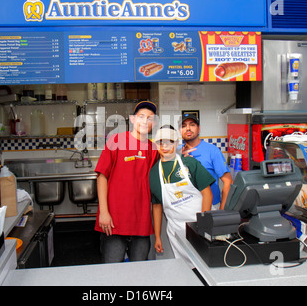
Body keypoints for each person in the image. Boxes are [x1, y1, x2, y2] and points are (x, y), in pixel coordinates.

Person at [95, 101, 159, 263]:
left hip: (141, 223)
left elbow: (168, 163)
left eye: (150, 118)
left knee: (139, 273)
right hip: (114, 222)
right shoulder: (116, 140)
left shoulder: (153, 149)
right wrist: (104, 212)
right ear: (132, 119)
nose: (145, 121)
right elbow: (102, 176)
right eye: (141, 117)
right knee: (112, 271)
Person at [150, 125, 215, 266]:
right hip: (176, 231)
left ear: (177, 143)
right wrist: (157, 237)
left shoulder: (190, 163)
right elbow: (156, 207)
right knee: (186, 269)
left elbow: (207, 194)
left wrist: (203, 227)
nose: (165, 146)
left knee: (207, 266)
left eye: (170, 141)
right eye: (161, 142)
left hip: (200, 226)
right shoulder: (153, 173)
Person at [179, 113, 232, 210]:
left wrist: (222, 210)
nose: (188, 128)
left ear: (199, 129)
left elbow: (228, 181)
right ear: (179, 131)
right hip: (185, 206)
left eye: (192, 125)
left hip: (211, 206)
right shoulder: (177, 152)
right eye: (183, 126)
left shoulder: (212, 151)